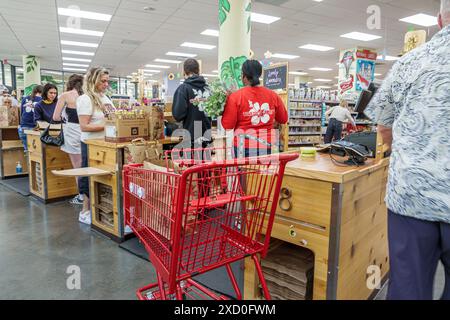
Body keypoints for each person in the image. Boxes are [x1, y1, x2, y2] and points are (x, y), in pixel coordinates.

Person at [364, 0, 450, 300]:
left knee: (408, 290)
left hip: (410, 199)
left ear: (439, 20)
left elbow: (384, 128)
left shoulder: (409, 63)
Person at [221, 59, 288, 158]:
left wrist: (225, 107)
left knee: (244, 173)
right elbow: (283, 119)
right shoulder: (273, 95)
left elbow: (228, 125)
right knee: (262, 173)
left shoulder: (235, 97)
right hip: (265, 145)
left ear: (243, 75)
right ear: (259, 74)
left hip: (242, 146)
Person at [77, 67, 113, 225]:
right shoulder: (85, 99)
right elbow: (84, 126)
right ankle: (85, 211)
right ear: (93, 80)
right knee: (89, 175)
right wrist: (107, 125)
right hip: (91, 145)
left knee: (104, 179)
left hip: (107, 145)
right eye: (103, 81)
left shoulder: (105, 98)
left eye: (107, 81)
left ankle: (101, 211)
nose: (106, 84)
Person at [53, 74, 84, 206]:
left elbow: (55, 117)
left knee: (77, 166)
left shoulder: (65, 95)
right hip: (87, 131)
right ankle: (90, 194)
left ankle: (82, 196)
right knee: (87, 164)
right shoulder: (87, 96)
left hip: (72, 131)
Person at [172, 58, 212, 148]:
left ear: (184, 71)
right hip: (207, 137)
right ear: (198, 70)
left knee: (192, 162)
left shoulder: (183, 89)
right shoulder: (208, 89)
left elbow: (178, 115)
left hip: (191, 138)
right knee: (206, 162)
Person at [18, 85, 43, 151]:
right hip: (35, 129)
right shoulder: (42, 100)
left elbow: (21, 113)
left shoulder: (24, 98)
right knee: (36, 152)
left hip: (23, 127)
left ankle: (27, 160)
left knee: (27, 150)